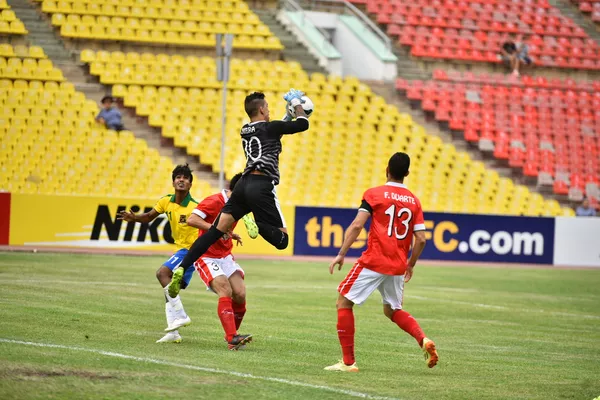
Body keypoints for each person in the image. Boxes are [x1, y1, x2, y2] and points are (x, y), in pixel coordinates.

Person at [167, 89, 310, 299]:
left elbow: (273, 132)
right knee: (282, 241)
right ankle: (257, 222)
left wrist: (287, 117)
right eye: (267, 107)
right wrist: (296, 103)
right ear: (262, 109)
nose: (269, 110)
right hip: (262, 185)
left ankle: (182, 267)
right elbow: (303, 124)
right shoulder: (271, 127)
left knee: (214, 232)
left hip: (243, 184)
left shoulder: (245, 129)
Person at [324, 152, 438, 372]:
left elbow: (357, 225)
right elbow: (422, 239)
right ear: (407, 173)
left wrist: (341, 253)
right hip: (398, 265)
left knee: (343, 303)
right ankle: (422, 339)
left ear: (387, 170)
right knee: (392, 310)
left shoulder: (374, 194)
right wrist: (410, 264)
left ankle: (348, 363)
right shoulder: (414, 201)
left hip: (374, 261)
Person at [117, 164, 199, 343]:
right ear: (173, 182)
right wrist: (134, 218)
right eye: (178, 177)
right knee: (169, 289)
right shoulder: (166, 201)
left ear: (190, 184)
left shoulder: (195, 207)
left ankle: (182, 315)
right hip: (180, 250)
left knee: (162, 273)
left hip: (192, 251)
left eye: (185, 178)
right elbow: (148, 216)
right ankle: (173, 333)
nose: (181, 180)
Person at [186, 172, 252, 350]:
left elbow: (225, 225)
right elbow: (192, 220)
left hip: (225, 256)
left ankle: (232, 336)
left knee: (240, 293)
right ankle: (232, 337)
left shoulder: (239, 205)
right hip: (206, 255)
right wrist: (216, 230)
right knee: (225, 289)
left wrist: (230, 234)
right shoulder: (214, 201)